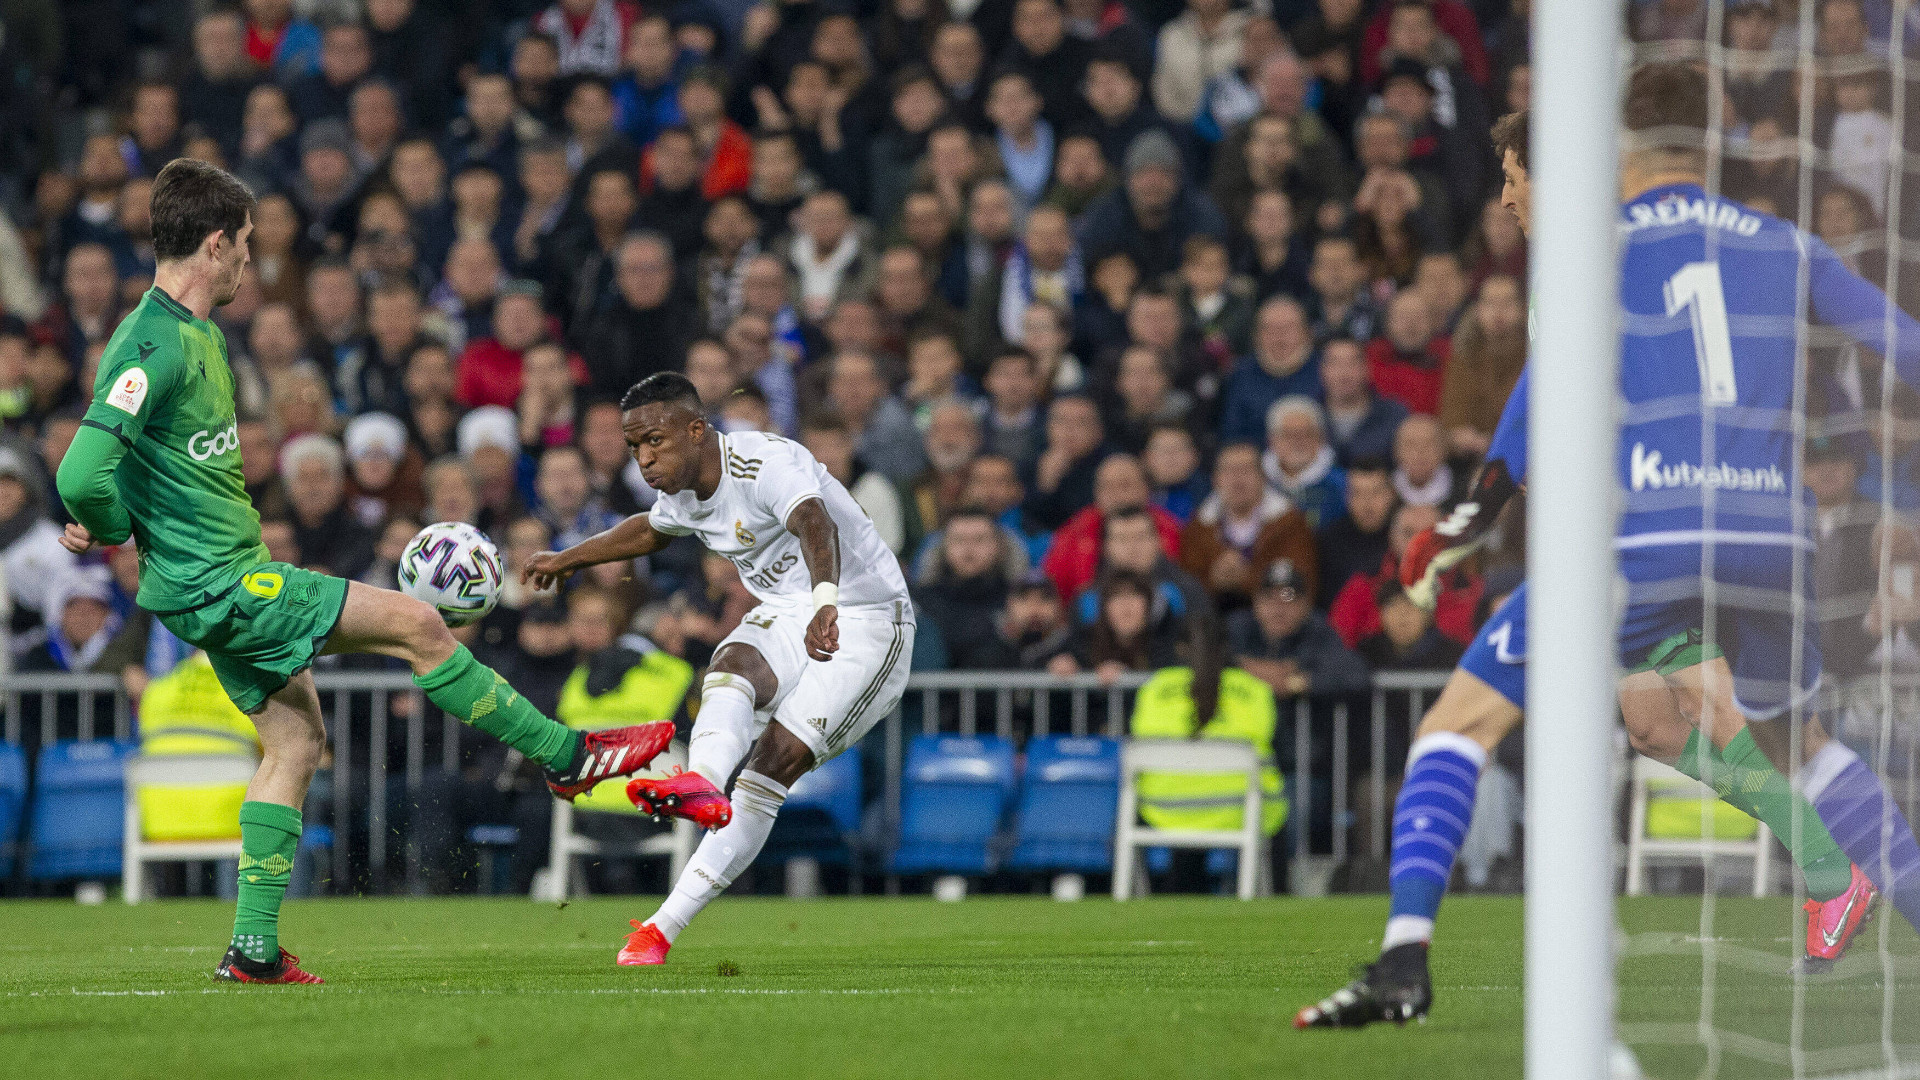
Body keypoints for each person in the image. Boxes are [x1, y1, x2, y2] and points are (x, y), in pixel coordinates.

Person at [1300, 73, 1916, 1028]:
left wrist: (1463, 524)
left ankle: (1402, 959)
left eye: (1514, 179)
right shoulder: (1787, 242)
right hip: (1770, 539)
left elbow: (1527, 416)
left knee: (1458, 726)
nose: (1509, 199)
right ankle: (1838, 876)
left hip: (1645, 542)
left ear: (1618, 144)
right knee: (1706, 730)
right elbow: (1901, 342)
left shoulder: (1593, 253)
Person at [53, 160, 675, 985]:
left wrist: (131, 516)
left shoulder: (196, 333)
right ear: (215, 243)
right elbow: (79, 473)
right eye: (245, 242)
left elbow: (142, 463)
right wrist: (109, 527)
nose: (251, 259)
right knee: (419, 623)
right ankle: (564, 755)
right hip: (223, 585)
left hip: (218, 579)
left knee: (294, 741)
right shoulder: (153, 343)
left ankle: (253, 950)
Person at [523, 371, 915, 967]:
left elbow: (815, 521)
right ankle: (701, 782)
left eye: (655, 441)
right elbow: (650, 529)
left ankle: (664, 924)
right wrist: (568, 559)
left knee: (769, 768)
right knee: (728, 667)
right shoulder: (683, 492)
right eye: (634, 446)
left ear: (696, 430)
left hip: (866, 617)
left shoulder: (762, 462)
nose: (644, 459)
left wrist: (825, 602)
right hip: (788, 608)